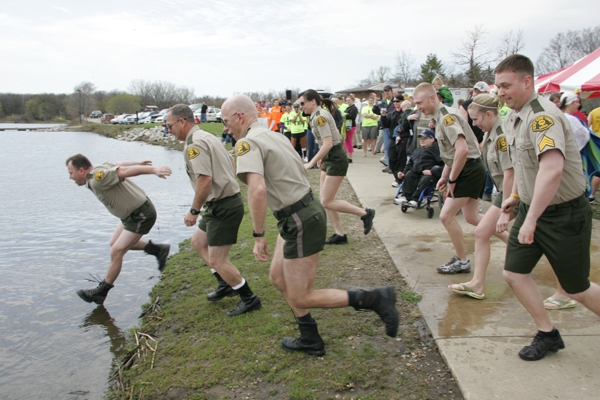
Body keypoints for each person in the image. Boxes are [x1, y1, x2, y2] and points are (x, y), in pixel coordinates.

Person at [221, 94, 398, 356]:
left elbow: (257, 190)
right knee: (277, 277)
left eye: (225, 121)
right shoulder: (275, 135)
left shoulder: (247, 143)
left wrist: (259, 235)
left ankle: (374, 299)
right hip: (297, 214)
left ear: (239, 117)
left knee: (302, 294)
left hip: (299, 219)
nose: (224, 128)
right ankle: (310, 337)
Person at [495, 54, 600, 361]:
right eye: (498, 86)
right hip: (531, 209)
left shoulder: (543, 116)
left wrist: (531, 221)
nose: (500, 92)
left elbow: (552, 169)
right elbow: (523, 165)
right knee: (514, 273)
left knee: (576, 288)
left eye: (506, 85)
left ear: (527, 81)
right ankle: (548, 334)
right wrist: (516, 195)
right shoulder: (515, 117)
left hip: (564, 215)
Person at [166, 104, 261, 316]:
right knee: (198, 242)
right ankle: (225, 283)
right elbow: (228, 164)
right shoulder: (206, 137)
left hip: (222, 205)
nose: (168, 130)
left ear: (182, 121)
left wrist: (193, 210)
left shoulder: (195, 144)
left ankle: (249, 298)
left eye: (169, 125)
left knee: (218, 259)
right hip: (218, 204)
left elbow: (205, 179)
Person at [66, 154, 172, 305]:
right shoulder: (97, 169)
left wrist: (153, 169)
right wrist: (138, 161)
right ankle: (157, 250)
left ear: (81, 170)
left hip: (140, 215)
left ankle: (101, 292)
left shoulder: (97, 178)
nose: (70, 177)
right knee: (114, 242)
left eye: (71, 173)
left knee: (116, 252)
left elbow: (121, 171)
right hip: (130, 215)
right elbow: (118, 163)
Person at [412, 83, 487, 274]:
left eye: (420, 103)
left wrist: (452, 179)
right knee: (472, 217)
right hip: (467, 167)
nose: (417, 107)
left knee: (446, 216)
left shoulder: (446, 117)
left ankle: (462, 261)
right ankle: (513, 241)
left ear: (432, 98)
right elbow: (452, 153)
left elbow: (462, 150)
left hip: (468, 169)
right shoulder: (440, 117)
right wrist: (445, 176)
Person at [448, 93, 513, 299]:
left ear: (488, 114)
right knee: (481, 231)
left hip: (513, 193)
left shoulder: (501, 136)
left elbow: (511, 172)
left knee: (482, 231)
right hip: (506, 192)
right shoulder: (490, 133)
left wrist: (505, 208)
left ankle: (566, 290)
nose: (473, 123)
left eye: (475, 119)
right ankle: (477, 284)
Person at [300, 89, 376, 245]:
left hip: (335, 158)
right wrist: (322, 158)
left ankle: (365, 214)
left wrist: (311, 162)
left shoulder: (320, 117)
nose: (301, 106)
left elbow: (328, 143)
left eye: (303, 103)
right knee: (325, 200)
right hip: (329, 157)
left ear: (313, 101)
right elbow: (326, 141)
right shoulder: (316, 115)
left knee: (327, 201)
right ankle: (340, 234)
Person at [394, 129, 443, 206]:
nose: (422, 140)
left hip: (430, 174)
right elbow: (410, 163)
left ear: (432, 139)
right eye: (421, 139)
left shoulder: (437, 150)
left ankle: (416, 199)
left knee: (426, 179)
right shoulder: (418, 150)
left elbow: (444, 165)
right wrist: (403, 173)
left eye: (425, 138)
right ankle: (406, 197)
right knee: (409, 174)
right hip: (417, 171)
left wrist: (432, 171)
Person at [341, 95, 359, 163]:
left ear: (353, 100)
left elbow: (352, 116)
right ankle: (347, 156)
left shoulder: (354, 108)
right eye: (347, 100)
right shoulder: (349, 107)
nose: (347, 101)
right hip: (347, 125)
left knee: (349, 141)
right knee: (347, 141)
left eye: (349, 100)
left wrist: (345, 114)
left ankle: (349, 157)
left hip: (350, 126)